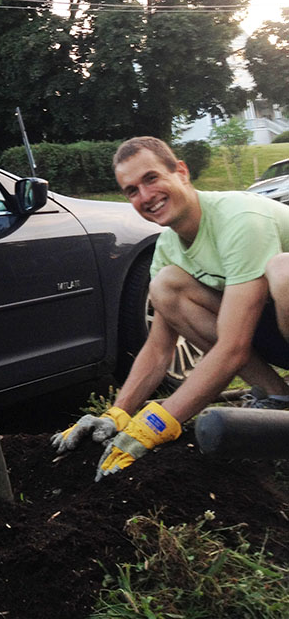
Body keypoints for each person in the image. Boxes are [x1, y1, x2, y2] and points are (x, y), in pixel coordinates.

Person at [51, 136, 289, 480]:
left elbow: (234, 348)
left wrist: (159, 423)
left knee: (283, 271)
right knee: (165, 287)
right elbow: (159, 348)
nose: (146, 196)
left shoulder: (239, 219)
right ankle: (277, 398)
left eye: (151, 178)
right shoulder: (167, 249)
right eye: (131, 190)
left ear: (181, 172)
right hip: (279, 326)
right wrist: (118, 414)